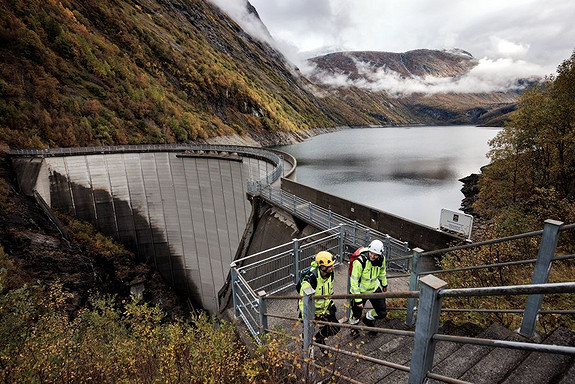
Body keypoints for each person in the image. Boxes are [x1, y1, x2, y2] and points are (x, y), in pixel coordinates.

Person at [298, 251, 340, 348]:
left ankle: (318, 338)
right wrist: (306, 317)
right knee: (308, 334)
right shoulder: (310, 280)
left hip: (325, 308)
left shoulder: (330, 274)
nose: (332, 267)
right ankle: (307, 347)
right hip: (312, 311)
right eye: (330, 266)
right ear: (322, 267)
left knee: (335, 327)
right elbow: (303, 300)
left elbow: (329, 291)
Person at [349, 239, 387, 337]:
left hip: (374, 288)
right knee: (355, 314)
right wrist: (358, 300)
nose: (372, 256)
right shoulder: (360, 261)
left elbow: (382, 272)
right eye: (371, 253)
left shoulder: (381, 259)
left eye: (375, 255)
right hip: (360, 292)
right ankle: (354, 329)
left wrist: (384, 284)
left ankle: (367, 318)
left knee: (382, 312)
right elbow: (353, 282)